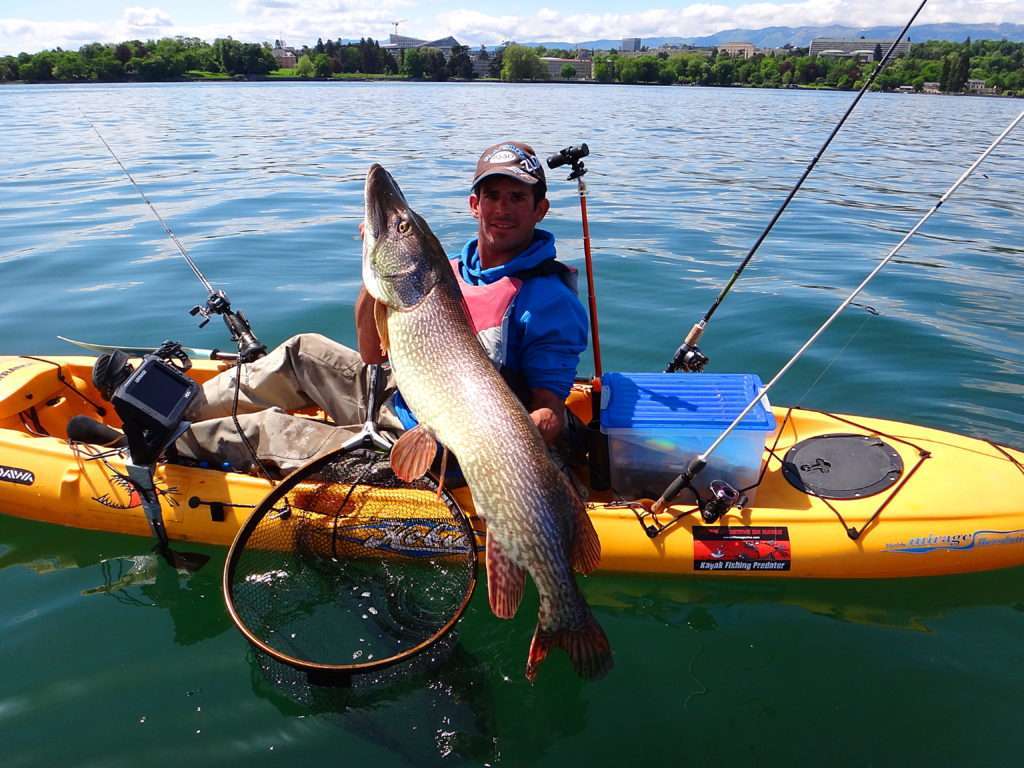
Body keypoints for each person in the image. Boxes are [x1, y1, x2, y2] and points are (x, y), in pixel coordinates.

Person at [174, 141, 588, 477]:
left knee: (268, 430)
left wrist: (535, 434)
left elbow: (547, 404)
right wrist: (378, 267)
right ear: (474, 205)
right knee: (304, 351)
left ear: (540, 209)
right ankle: (178, 410)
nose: (503, 208)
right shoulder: (449, 269)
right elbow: (372, 355)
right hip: (398, 394)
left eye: (518, 197)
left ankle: (164, 443)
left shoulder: (549, 301)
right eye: (493, 196)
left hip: (441, 442)